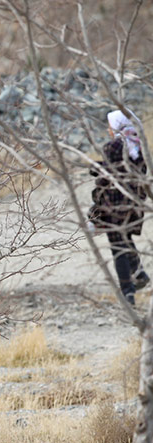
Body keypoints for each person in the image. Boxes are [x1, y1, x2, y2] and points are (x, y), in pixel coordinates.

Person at [88, 109, 149, 306]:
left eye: (110, 126)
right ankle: (139, 274)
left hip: (114, 205)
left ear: (116, 127)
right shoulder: (137, 145)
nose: (108, 130)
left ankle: (128, 294)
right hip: (133, 204)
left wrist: (96, 170)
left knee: (118, 249)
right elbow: (124, 169)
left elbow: (107, 179)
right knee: (125, 239)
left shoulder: (112, 147)